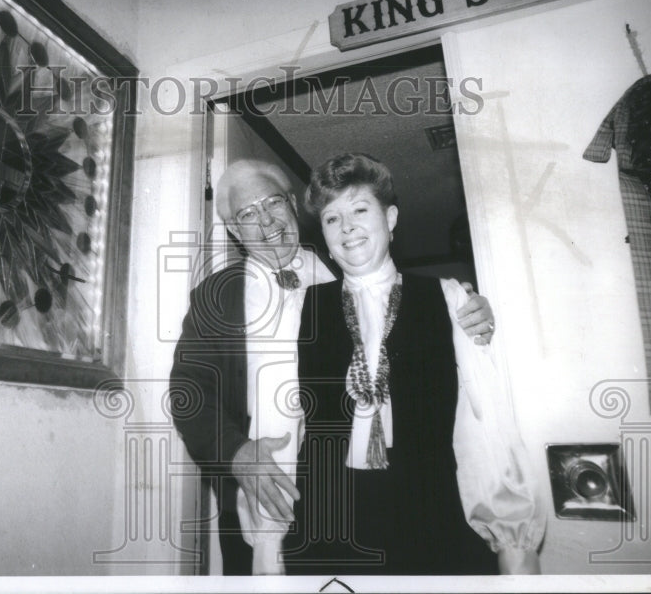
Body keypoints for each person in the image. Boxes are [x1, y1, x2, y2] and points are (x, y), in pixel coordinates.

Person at [169, 159, 498, 575]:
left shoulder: (339, 263)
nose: (266, 221)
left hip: (370, 492)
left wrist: (470, 310)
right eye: (247, 214)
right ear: (234, 231)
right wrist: (234, 453)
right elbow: (187, 390)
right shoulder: (217, 295)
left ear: (292, 205)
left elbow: (409, 324)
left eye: (273, 203)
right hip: (261, 491)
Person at [281, 153, 545, 575]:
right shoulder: (301, 308)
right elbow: (285, 420)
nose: (346, 227)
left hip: (428, 510)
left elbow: (484, 423)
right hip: (330, 519)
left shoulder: (449, 297)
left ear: (391, 218)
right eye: (332, 219)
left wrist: (513, 537)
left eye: (360, 210)